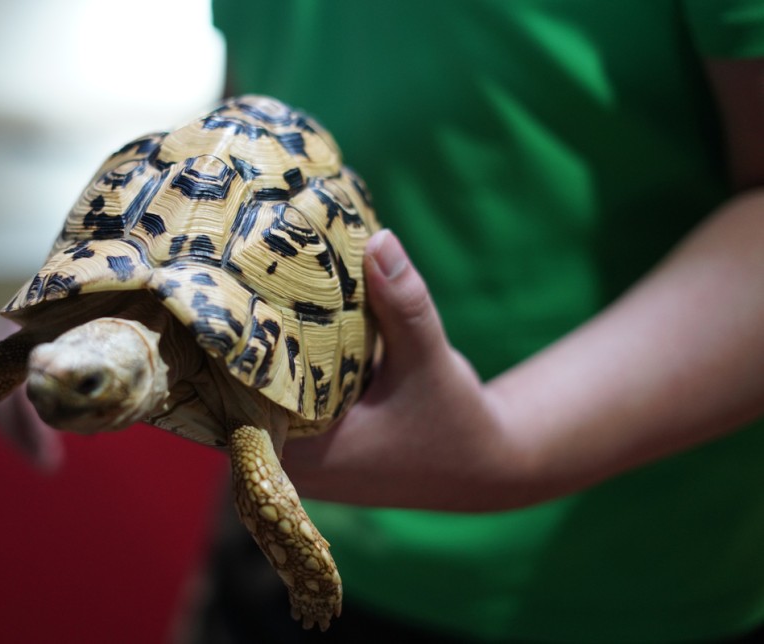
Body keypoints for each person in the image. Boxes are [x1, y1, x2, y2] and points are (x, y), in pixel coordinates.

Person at [187, 1, 764, 642]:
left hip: (623, 582)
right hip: (284, 530)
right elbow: (255, 124)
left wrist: (511, 443)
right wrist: (91, 294)